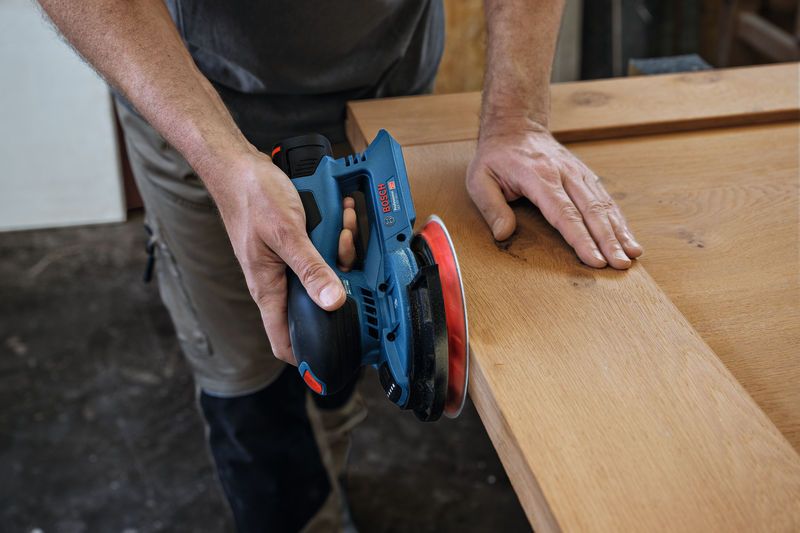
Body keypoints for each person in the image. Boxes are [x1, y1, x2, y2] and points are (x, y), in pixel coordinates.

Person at [37, 1, 643, 531]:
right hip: (189, 93)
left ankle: (329, 462)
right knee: (249, 373)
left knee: (340, 349)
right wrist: (222, 161)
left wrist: (517, 117)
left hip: (385, 81)